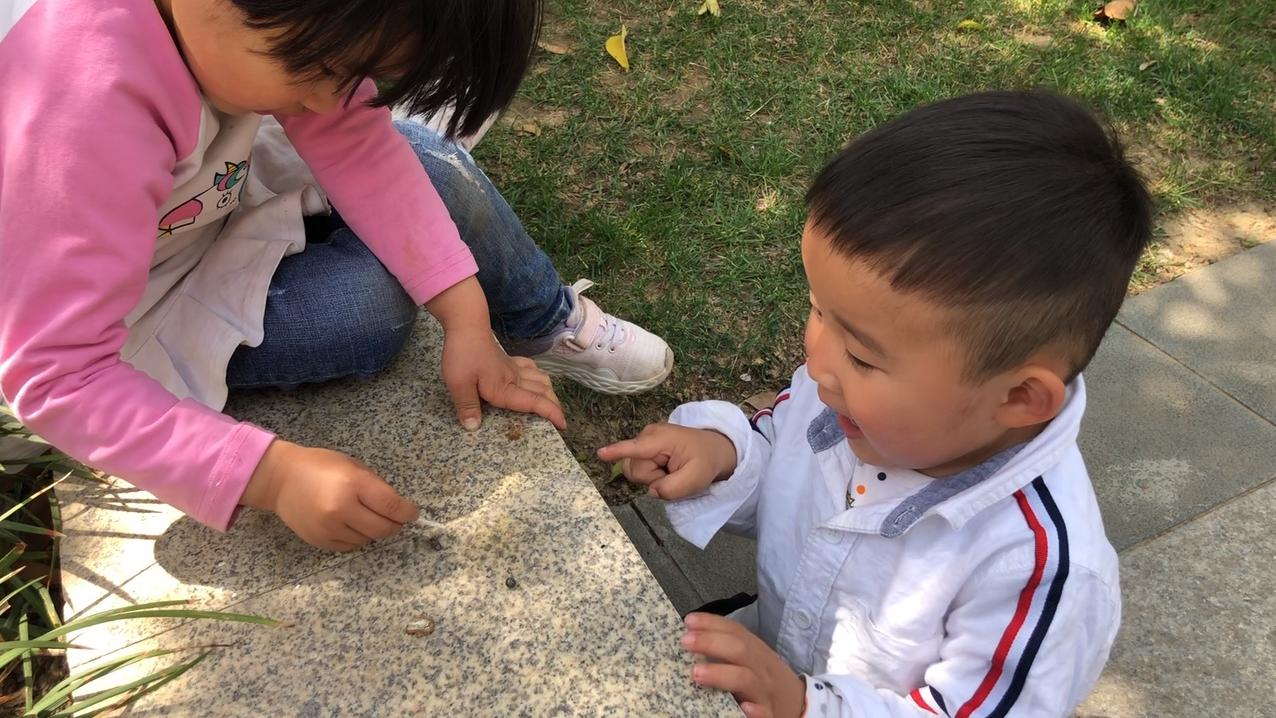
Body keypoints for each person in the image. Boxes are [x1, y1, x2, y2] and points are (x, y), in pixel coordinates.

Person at [0, 0, 671, 553]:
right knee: (367, 309)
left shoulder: (248, 36)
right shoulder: (77, 112)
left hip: (209, 200)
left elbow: (360, 144)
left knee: (428, 157)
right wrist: (272, 475)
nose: (332, 103)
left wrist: (466, 318)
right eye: (321, 71)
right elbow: (56, 373)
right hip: (140, 309)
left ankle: (541, 321)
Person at [600, 90, 1152, 717]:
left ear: (1020, 398)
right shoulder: (847, 397)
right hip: (779, 651)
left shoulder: (1037, 571)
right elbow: (781, 451)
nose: (818, 364)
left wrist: (808, 707)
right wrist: (724, 455)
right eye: (817, 310)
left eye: (862, 355)